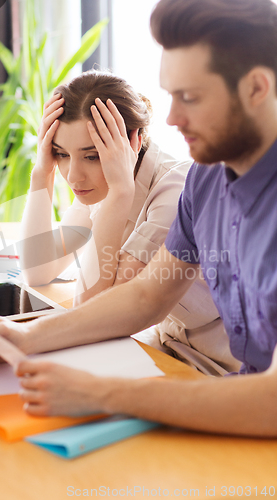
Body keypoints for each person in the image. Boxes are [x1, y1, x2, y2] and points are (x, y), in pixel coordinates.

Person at [0, 0, 277, 436]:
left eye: (189, 97)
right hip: (215, 388)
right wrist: (22, 338)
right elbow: (145, 297)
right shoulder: (207, 182)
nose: (170, 118)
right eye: (171, 96)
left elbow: (271, 401)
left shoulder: (179, 183)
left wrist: (101, 393)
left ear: (257, 88)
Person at [19, 70, 239, 376]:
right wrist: (41, 172)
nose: (73, 175)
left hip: (222, 360)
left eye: (92, 155)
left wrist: (121, 192)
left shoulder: (174, 191)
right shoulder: (98, 185)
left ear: (134, 140)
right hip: (169, 345)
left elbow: (90, 312)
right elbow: (37, 269)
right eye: (62, 153)